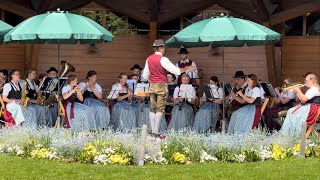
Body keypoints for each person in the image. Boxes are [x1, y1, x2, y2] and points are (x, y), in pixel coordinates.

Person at [142, 39, 196, 137]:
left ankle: (153, 130)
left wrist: (151, 79)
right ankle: (155, 131)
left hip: (152, 85)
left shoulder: (148, 58)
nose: (164, 49)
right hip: (161, 85)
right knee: (159, 109)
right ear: (161, 48)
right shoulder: (163, 59)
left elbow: (145, 75)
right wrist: (187, 68)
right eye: (163, 47)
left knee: (152, 108)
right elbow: (176, 71)